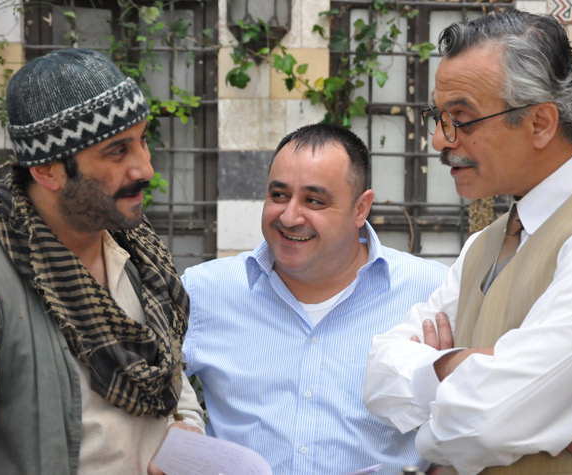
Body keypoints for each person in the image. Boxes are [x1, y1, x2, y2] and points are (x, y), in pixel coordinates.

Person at [363, 10, 572, 475]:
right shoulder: (485, 243)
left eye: (461, 118)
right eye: (438, 116)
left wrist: (437, 398)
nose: (438, 140)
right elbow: (378, 376)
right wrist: (459, 368)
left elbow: (489, 422)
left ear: (540, 123)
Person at [0, 48, 204, 475]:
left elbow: (169, 373)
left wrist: (186, 432)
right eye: (117, 151)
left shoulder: (140, 254)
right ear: (48, 170)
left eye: (143, 140)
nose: (145, 168)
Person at [181, 123, 450, 474]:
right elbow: (145, 389)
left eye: (314, 201)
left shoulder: (433, 294)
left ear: (361, 208)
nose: (290, 216)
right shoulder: (204, 292)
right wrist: (178, 424)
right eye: (279, 195)